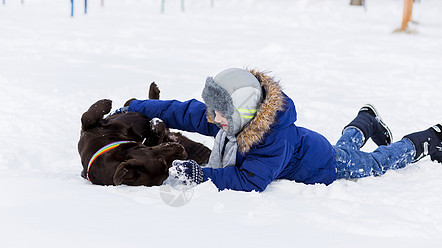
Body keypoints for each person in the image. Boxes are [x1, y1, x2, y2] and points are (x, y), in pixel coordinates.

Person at [125, 68, 442, 192]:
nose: (211, 119)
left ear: (244, 112)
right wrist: (136, 107)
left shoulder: (270, 139)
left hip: (323, 163)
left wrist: (201, 175)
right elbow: (180, 111)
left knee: (373, 163)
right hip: (309, 144)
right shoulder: (229, 116)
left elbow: (250, 180)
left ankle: (425, 140)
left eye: (219, 113)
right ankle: (366, 118)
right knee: (346, 145)